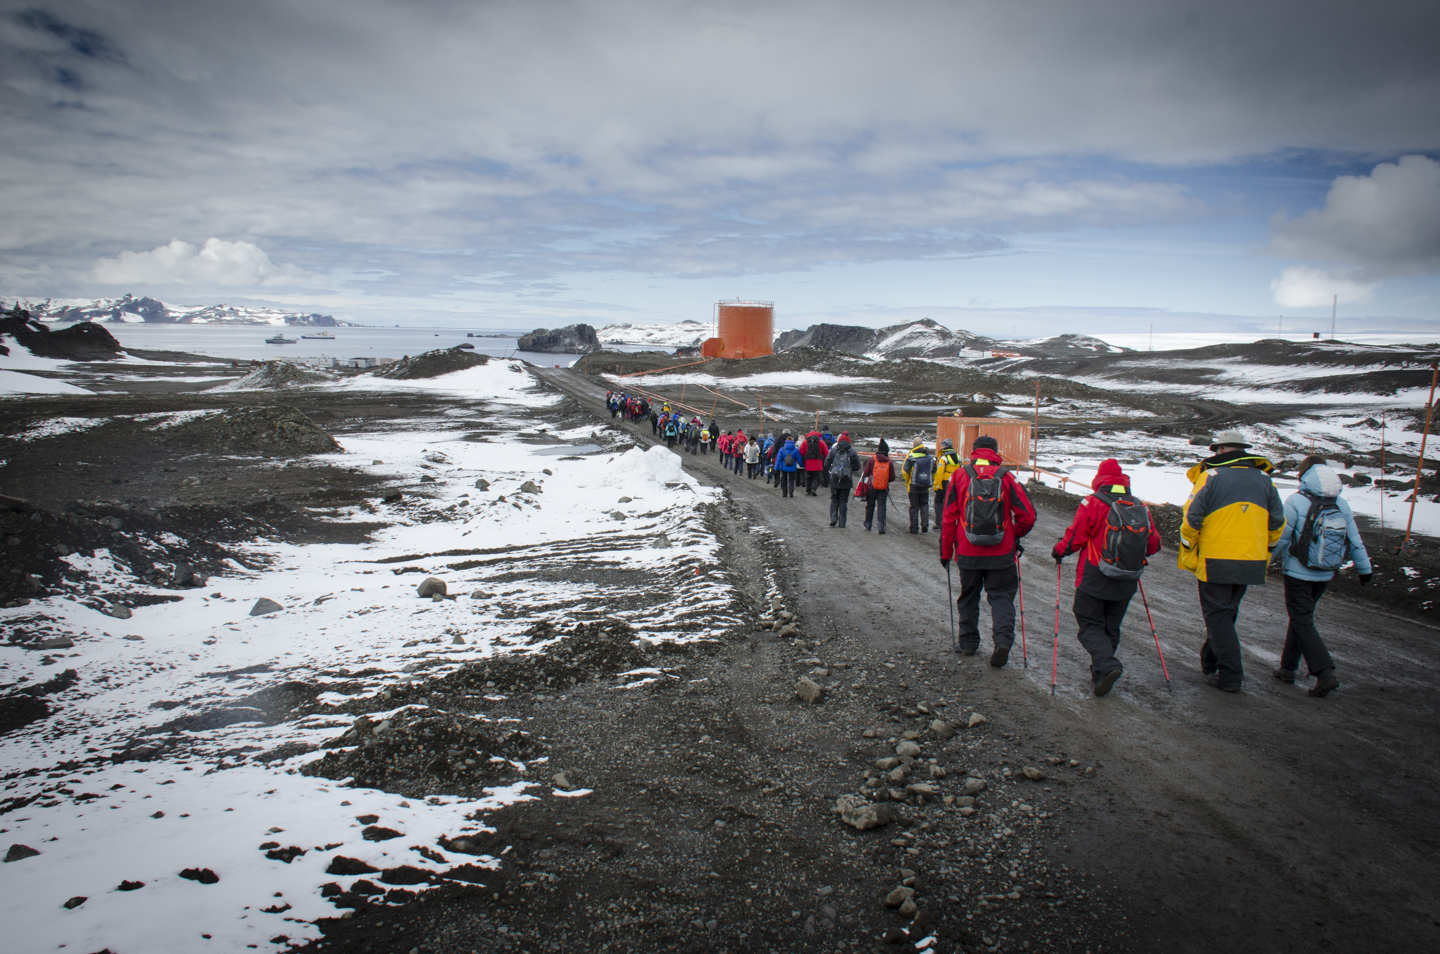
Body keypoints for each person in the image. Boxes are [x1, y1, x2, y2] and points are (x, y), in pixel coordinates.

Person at [1179, 430, 1285, 692]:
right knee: (1227, 613)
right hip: (1252, 560)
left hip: (1217, 557)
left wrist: (1188, 547)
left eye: (1217, 450)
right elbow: (1277, 522)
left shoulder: (1211, 476)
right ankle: (1209, 661)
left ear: (1223, 450)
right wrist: (1267, 552)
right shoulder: (1265, 479)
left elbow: (1192, 518)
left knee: (1218, 617)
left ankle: (1230, 675)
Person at [1051, 459, 1163, 696]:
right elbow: (1153, 544)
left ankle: (1109, 665)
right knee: (1111, 626)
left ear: (1099, 480)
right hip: (1127, 578)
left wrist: (1060, 550)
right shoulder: (1139, 506)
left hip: (1095, 575)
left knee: (1089, 623)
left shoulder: (1092, 502)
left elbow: (1076, 536)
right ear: (1123, 481)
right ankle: (1101, 672)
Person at [1272, 456, 1372, 697]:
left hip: (1298, 572)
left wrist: (1265, 560)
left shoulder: (1295, 501)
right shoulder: (1342, 504)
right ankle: (1287, 668)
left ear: (1304, 476)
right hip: (1326, 572)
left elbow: (1282, 538)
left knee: (1302, 620)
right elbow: (1354, 539)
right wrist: (1365, 569)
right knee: (1302, 617)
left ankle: (1324, 673)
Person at [939, 436, 1037, 667]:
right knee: (1001, 597)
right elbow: (1028, 516)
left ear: (973, 452)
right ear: (996, 452)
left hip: (968, 551)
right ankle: (1002, 641)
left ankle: (968, 643)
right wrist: (1014, 536)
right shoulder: (1007, 477)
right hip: (1001, 553)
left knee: (969, 597)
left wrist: (945, 553)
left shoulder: (960, 475)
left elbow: (948, 518)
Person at [824, 432, 862, 527]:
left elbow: (826, 464)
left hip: (834, 480)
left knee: (834, 499)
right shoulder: (852, 452)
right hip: (846, 480)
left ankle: (833, 518)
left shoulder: (833, 450)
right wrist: (850, 469)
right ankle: (842, 522)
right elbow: (857, 466)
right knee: (843, 501)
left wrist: (831, 470)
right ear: (849, 441)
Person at [861, 439, 897, 533]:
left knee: (870, 505)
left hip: (871, 487)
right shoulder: (889, 462)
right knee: (882, 506)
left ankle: (868, 524)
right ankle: (881, 527)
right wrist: (884, 480)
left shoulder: (872, 459)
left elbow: (865, 473)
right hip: (884, 488)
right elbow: (892, 477)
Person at [902, 437, 937, 534]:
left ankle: (914, 528)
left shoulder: (911, 456)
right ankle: (924, 524)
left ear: (913, 444)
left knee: (914, 507)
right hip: (925, 486)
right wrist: (930, 480)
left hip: (913, 486)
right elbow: (934, 471)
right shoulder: (929, 457)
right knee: (924, 505)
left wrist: (908, 480)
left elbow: (904, 471)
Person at [934, 438, 962, 526]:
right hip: (955, 481)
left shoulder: (943, 458)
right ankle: (951, 522)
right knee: (951, 502)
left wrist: (936, 486)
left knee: (938, 501)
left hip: (944, 482)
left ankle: (939, 522)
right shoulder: (958, 457)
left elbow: (939, 474)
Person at [801, 428, 829, 495]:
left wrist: (801, 460)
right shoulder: (821, 442)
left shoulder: (805, 441)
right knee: (816, 477)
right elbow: (826, 453)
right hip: (818, 463)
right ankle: (814, 488)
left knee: (808, 476)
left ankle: (808, 490)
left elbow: (801, 452)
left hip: (808, 462)